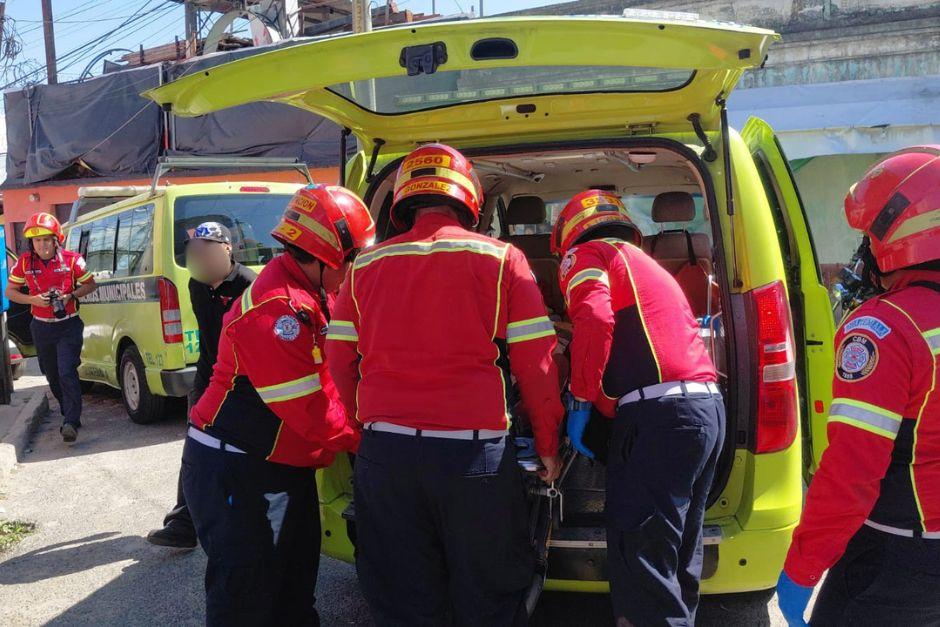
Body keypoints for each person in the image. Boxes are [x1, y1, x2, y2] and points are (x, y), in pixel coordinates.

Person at [325, 143, 564, 626]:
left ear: (404, 202)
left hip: (385, 458)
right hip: (473, 462)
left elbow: (338, 362)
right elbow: (537, 366)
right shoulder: (503, 260)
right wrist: (548, 446)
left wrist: (361, 431)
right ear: (469, 201)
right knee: (488, 595)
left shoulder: (364, 268)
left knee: (403, 598)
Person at [183, 185, 373, 625]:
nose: (356, 269)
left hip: (279, 466)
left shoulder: (308, 290)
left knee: (293, 586)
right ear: (326, 256)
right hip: (238, 470)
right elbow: (310, 410)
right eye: (353, 260)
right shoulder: (276, 310)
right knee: (248, 598)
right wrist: (369, 442)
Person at [776, 146, 940, 626]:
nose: (862, 253)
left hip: (899, 553)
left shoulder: (884, 328)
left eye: (868, 238)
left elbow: (850, 473)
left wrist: (803, 566)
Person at [551, 189, 723, 626]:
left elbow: (594, 318)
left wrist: (581, 398)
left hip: (660, 419)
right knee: (678, 556)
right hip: (705, 411)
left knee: (642, 563)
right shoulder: (644, 265)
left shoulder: (587, 254)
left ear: (566, 240)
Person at [147, 222, 256, 549]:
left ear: (227, 249)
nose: (201, 258)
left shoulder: (250, 286)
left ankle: (247, 519)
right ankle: (183, 523)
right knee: (196, 449)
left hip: (244, 381)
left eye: (209, 249)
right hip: (208, 377)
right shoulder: (197, 284)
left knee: (245, 452)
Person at [4, 212, 97, 443]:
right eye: (37, 241)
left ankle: (71, 422)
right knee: (52, 374)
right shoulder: (24, 262)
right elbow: (10, 292)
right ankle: (69, 413)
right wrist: (34, 300)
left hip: (68, 325)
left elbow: (90, 284)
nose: (42, 245)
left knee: (67, 370)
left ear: (56, 240)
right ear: (31, 243)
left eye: (46, 239)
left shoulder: (73, 260)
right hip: (41, 328)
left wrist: (70, 296)